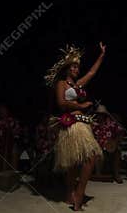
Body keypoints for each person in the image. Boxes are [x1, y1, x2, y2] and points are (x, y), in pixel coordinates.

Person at [44, 42, 105, 210]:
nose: (76, 70)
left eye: (78, 67)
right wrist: (81, 106)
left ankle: (76, 193)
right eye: (73, 67)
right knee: (74, 161)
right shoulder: (61, 84)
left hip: (82, 123)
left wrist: (101, 55)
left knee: (88, 158)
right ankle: (72, 194)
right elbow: (62, 103)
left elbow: (92, 72)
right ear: (67, 69)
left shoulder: (77, 85)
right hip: (70, 123)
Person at [92, 105, 124, 183]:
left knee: (117, 151)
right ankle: (98, 174)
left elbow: (120, 133)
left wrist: (115, 142)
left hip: (110, 145)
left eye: (102, 114)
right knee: (94, 151)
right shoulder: (93, 124)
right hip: (97, 146)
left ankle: (116, 174)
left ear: (105, 115)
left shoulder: (112, 123)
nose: (100, 116)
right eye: (99, 114)